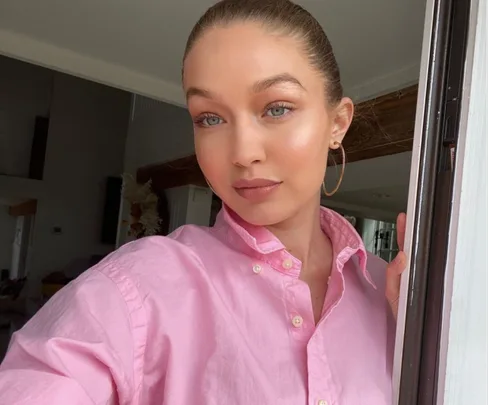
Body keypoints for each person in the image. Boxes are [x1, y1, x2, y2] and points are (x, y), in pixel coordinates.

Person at [0, 0, 407, 403]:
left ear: (337, 123)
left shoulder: (393, 294)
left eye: (277, 108)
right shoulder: (137, 288)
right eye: (209, 118)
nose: (243, 152)